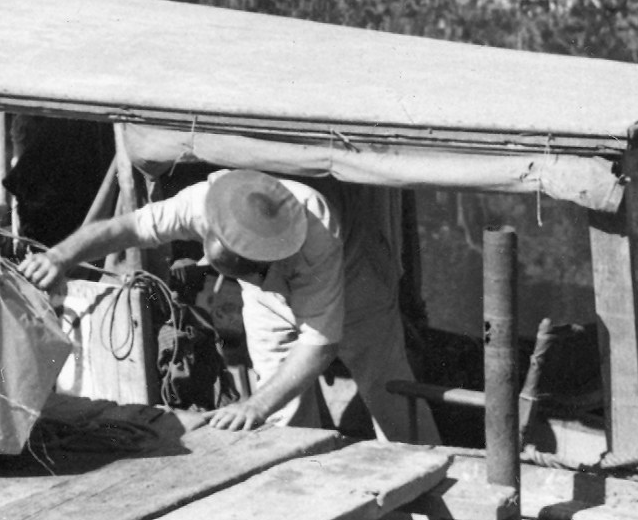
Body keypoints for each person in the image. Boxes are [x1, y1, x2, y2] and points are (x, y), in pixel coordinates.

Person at [21, 166, 413, 438]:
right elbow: (122, 228)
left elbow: (319, 343)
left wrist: (253, 407)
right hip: (267, 294)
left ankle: (436, 509)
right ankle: (308, 502)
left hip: (357, 276)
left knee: (389, 394)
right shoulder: (202, 203)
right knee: (282, 412)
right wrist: (60, 257)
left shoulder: (316, 236)